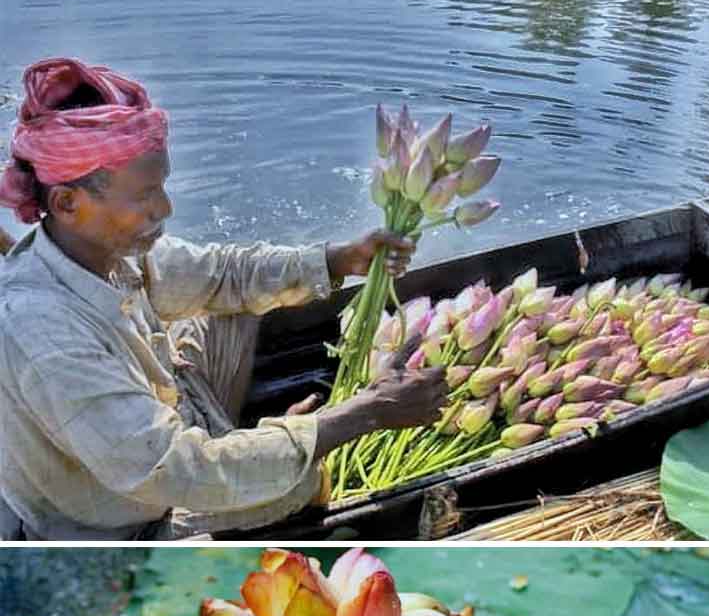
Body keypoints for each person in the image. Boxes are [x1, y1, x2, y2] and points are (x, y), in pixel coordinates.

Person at [0, 58, 447, 540]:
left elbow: (224, 273)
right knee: (302, 481)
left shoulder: (105, 253)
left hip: (165, 439)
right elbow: (168, 466)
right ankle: (258, 455)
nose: (165, 208)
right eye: (146, 195)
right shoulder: (43, 331)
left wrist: (341, 259)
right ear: (68, 203)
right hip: (129, 519)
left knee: (235, 306)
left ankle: (251, 449)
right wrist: (366, 413)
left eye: (163, 187)